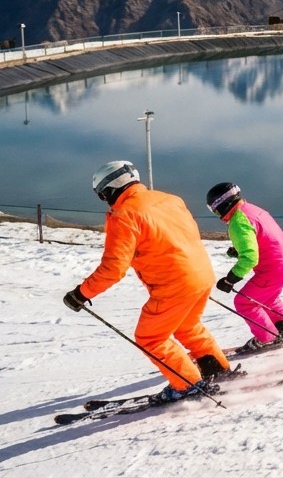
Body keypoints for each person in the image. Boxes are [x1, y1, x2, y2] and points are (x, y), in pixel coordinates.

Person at [63, 161, 231, 403]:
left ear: (109, 190)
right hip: (201, 274)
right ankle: (217, 369)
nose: (105, 200)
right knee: (187, 327)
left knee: (150, 337)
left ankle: (188, 386)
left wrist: (81, 293)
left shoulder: (124, 214)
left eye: (102, 195)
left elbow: (113, 268)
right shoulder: (171, 199)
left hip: (174, 284)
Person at [206, 182, 283, 353]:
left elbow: (250, 258)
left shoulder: (238, 221)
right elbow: (261, 238)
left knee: (244, 302)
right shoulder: (251, 210)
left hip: (272, 268)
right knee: (267, 298)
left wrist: (230, 279)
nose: (217, 215)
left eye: (215, 210)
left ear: (223, 204)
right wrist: (239, 250)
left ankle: (268, 338)